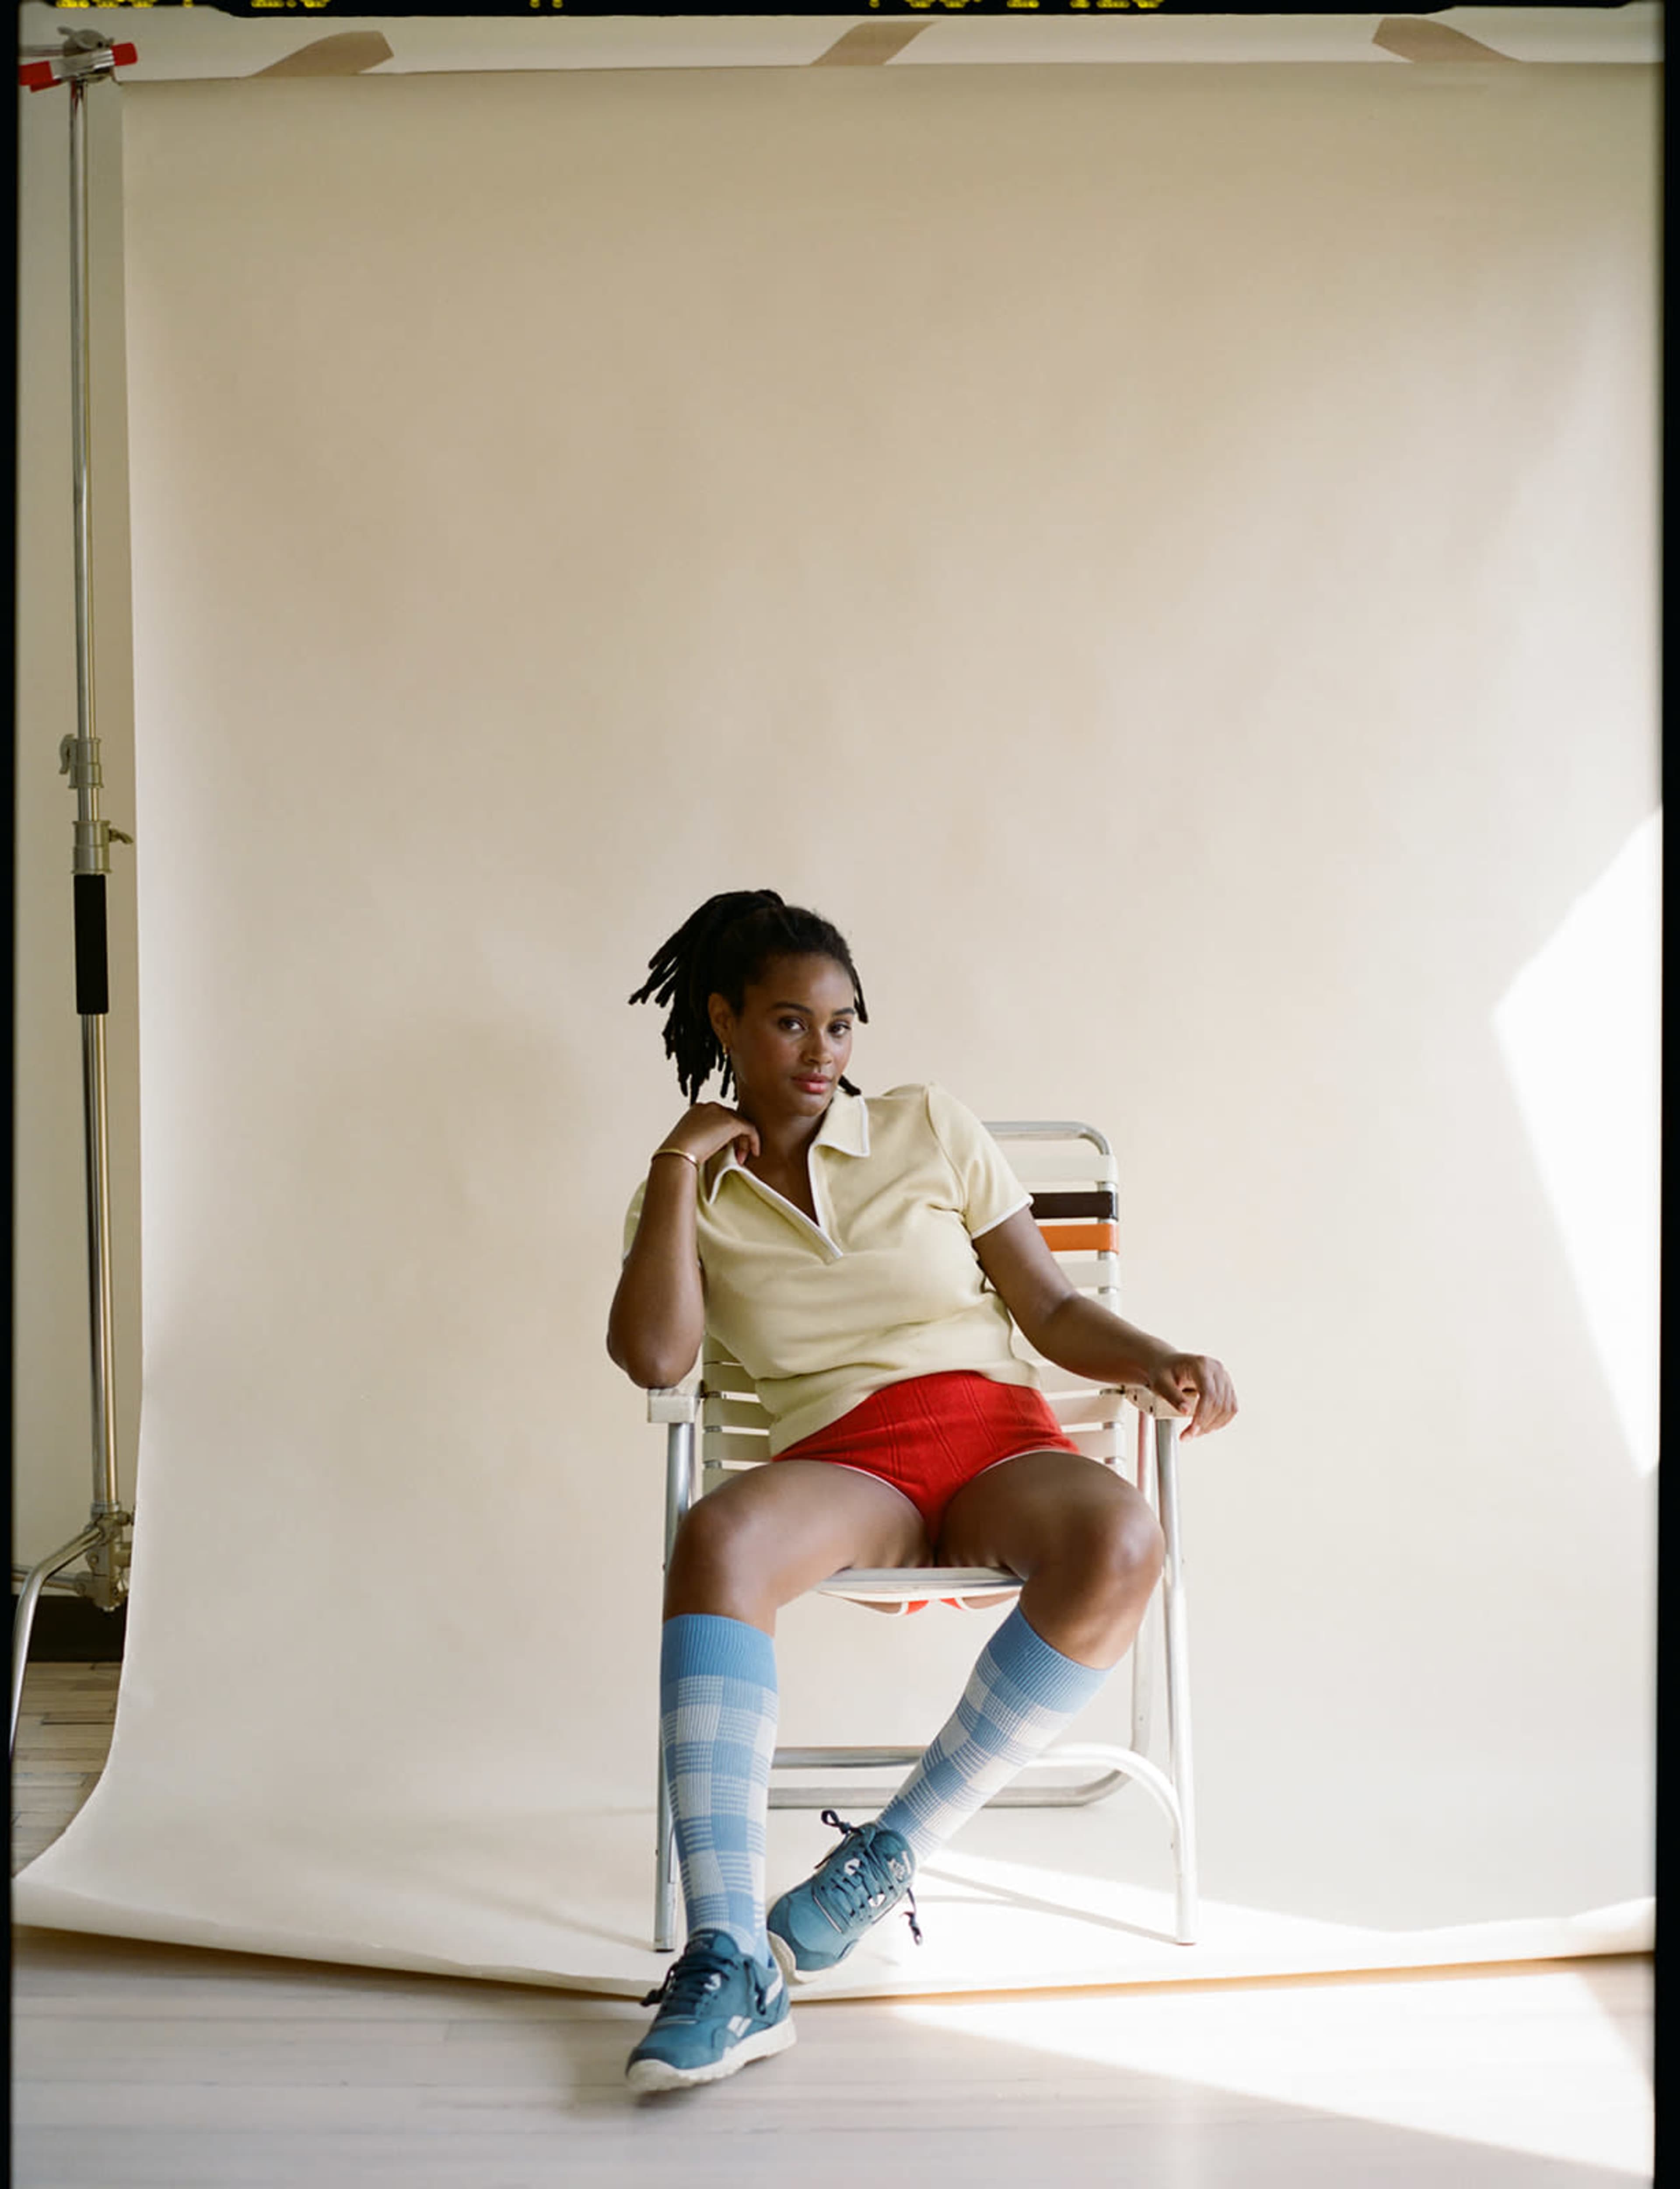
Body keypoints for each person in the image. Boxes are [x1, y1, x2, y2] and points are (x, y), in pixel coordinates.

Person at [608, 890, 1236, 2093]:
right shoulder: (689, 1193)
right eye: (790, 1023)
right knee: (721, 1534)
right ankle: (731, 1953)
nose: (822, 1053)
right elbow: (656, 1359)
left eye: (843, 1026)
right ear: (726, 1020)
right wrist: (678, 1163)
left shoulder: (928, 1126)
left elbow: (1049, 1307)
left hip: (992, 1435)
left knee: (1123, 1535)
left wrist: (1159, 1355)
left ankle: (889, 1853)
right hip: (842, 1462)